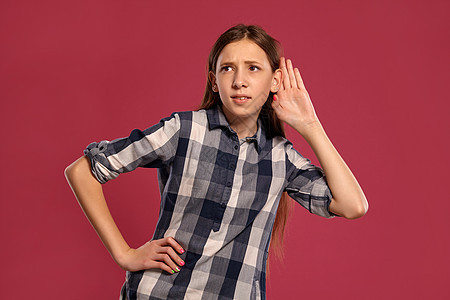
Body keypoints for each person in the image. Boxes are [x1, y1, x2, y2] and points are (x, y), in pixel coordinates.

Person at [65, 24, 368, 300]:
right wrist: (125, 254)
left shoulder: (281, 157)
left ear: (275, 80)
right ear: (213, 81)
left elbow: (352, 205)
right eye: (227, 69)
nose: (239, 81)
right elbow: (82, 171)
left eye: (253, 68)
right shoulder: (184, 130)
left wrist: (310, 124)